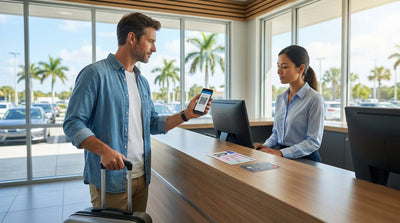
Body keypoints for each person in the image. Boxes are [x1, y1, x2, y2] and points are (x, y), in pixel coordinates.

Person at [63, 12, 211, 212]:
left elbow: (152, 123)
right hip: (111, 180)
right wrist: (104, 150)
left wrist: (186, 114)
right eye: (150, 41)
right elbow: (72, 124)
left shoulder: (142, 82)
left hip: (142, 177)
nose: (155, 48)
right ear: (132, 38)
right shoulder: (94, 74)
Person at [254, 45, 325, 162]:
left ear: (301, 69)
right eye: (278, 66)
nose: (278, 71)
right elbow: (276, 134)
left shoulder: (314, 99)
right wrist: (265, 146)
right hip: (283, 158)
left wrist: (281, 153)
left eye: (284, 67)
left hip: (306, 160)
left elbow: (313, 142)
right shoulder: (280, 98)